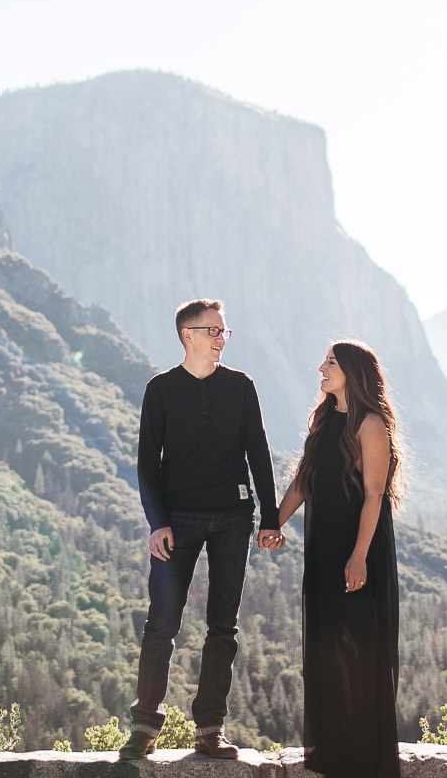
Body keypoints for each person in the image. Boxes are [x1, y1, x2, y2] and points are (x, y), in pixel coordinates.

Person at [122, 298, 283, 761]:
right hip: (178, 522)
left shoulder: (241, 386)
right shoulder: (161, 389)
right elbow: (147, 463)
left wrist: (269, 517)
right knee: (161, 627)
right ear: (187, 334)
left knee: (223, 628)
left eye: (224, 332)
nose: (220, 339)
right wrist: (158, 523)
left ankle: (209, 729)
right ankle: (144, 729)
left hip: (234, 519)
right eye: (212, 331)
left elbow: (259, 452)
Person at [269, 339, 404, 778]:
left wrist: (359, 556)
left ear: (352, 370)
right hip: (323, 550)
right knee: (329, 647)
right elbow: (304, 480)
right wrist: (274, 522)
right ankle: (336, 753)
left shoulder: (370, 424)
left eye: (330, 362)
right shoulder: (324, 421)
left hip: (358, 550)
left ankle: (365, 760)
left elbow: (373, 494)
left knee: (360, 650)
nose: (322, 368)